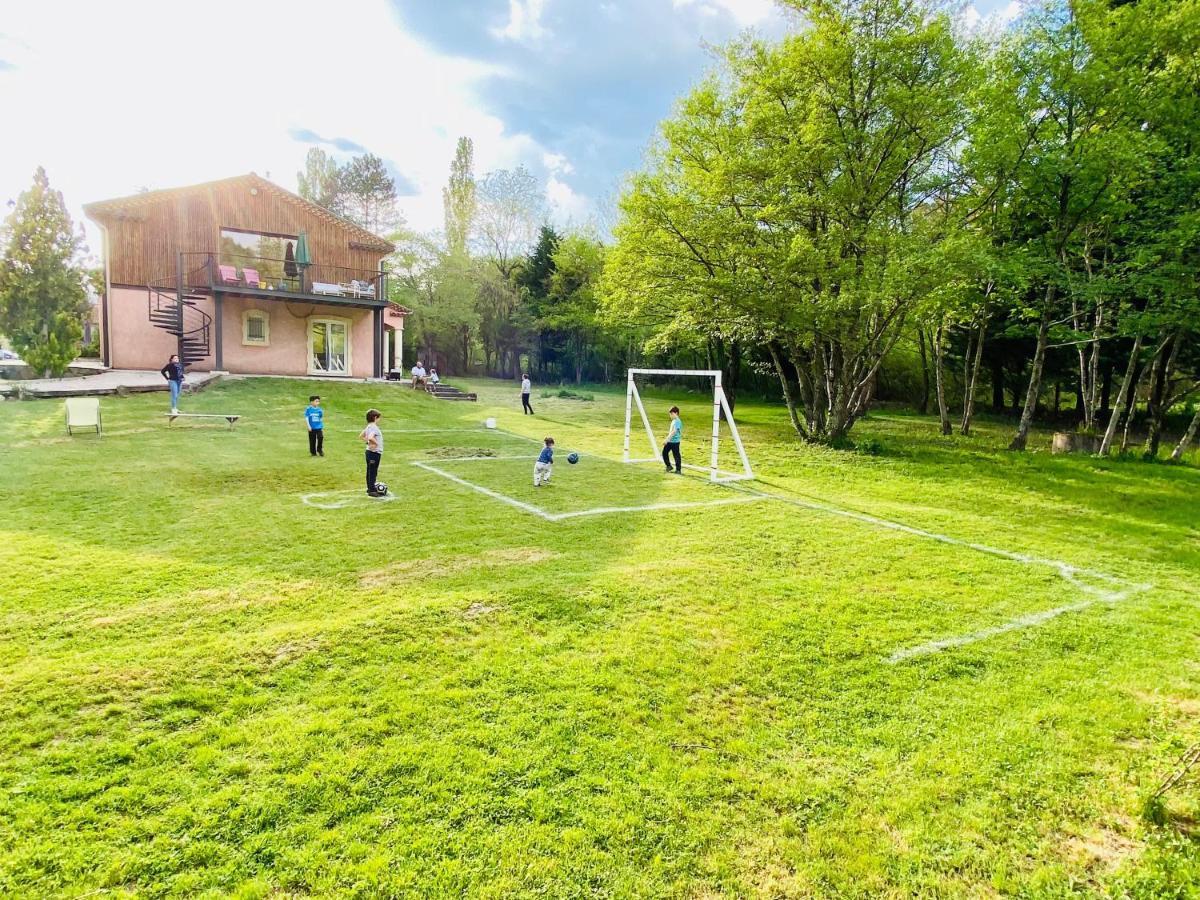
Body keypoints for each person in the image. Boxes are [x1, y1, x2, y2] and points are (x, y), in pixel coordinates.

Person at [359, 408, 384, 496]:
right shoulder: (374, 427)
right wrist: (375, 443)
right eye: (379, 418)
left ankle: (369, 488)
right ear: (375, 418)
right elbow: (370, 437)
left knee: (369, 471)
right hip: (374, 453)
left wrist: (368, 442)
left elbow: (361, 436)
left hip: (369, 452)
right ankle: (372, 490)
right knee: (373, 471)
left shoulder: (368, 426)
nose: (379, 420)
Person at [662, 406, 682, 474]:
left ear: (676, 413)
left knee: (676, 455)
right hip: (670, 441)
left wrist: (667, 439)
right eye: (670, 414)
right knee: (664, 453)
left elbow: (674, 431)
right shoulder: (673, 421)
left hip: (675, 442)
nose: (670, 415)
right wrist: (668, 439)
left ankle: (678, 470)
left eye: (672, 414)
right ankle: (669, 466)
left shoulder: (678, 421)